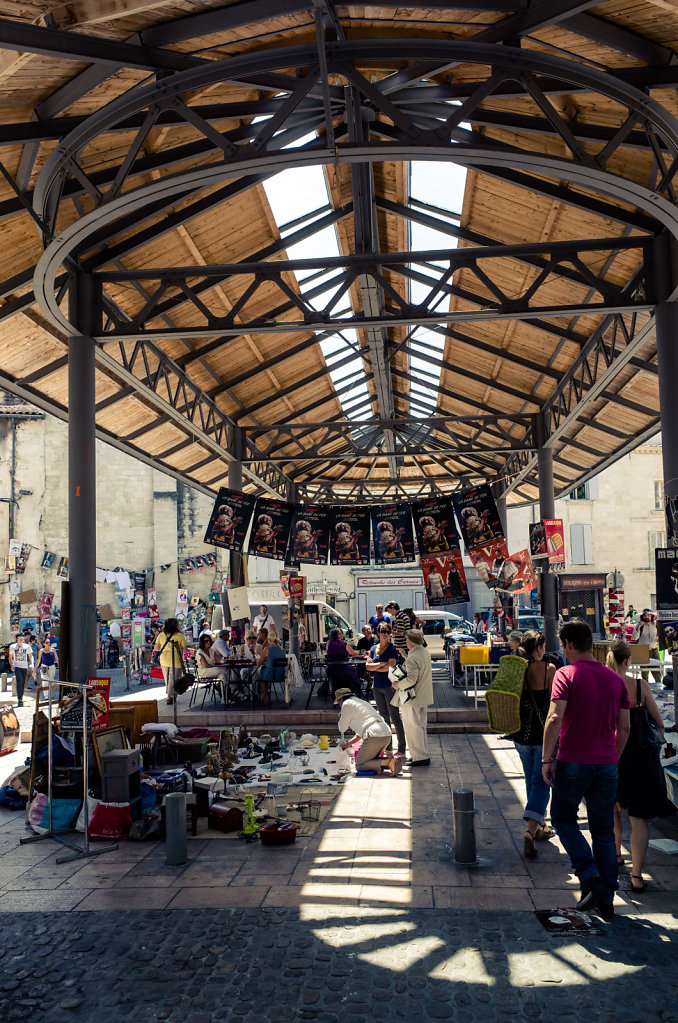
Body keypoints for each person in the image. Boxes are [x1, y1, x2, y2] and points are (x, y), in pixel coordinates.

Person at [542, 621, 630, 919]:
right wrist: (612, 758)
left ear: (567, 644)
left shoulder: (566, 674)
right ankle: (606, 896)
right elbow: (625, 727)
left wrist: (546, 759)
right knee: (603, 830)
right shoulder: (616, 680)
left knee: (563, 818)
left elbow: (555, 718)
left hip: (573, 761)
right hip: (606, 764)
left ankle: (588, 873)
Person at [607, 640, 676, 892]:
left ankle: (615, 854)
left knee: (614, 808)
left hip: (613, 753)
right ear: (628, 660)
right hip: (641, 757)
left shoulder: (607, 685)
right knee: (639, 818)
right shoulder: (639, 686)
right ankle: (636, 875)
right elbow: (659, 722)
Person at [509, 631, 556, 859]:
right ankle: (530, 830)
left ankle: (540, 826)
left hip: (520, 735)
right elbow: (555, 705)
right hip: (542, 736)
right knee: (543, 782)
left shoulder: (517, 668)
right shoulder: (548, 670)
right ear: (538, 647)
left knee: (532, 780)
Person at [390, 629, 433, 767]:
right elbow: (416, 666)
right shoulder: (423, 652)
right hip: (422, 697)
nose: (406, 641)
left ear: (410, 641)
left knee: (412, 727)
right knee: (420, 727)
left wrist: (397, 684)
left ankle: (419, 757)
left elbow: (411, 679)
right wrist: (405, 656)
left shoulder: (414, 657)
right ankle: (421, 755)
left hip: (412, 698)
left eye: (407, 639)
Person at [335, 688, 401, 775]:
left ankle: (389, 762)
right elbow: (359, 734)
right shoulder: (360, 702)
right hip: (386, 734)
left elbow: (342, 728)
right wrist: (348, 744)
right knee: (370, 761)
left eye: (338, 702)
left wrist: (342, 715)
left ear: (340, 699)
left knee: (360, 765)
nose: (339, 705)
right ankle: (392, 763)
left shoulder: (346, 704)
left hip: (374, 735)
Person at [366, 623, 406, 757]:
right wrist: (383, 664)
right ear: (378, 633)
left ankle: (401, 747)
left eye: (388, 632)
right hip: (377, 686)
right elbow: (367, 667)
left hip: (390, 686)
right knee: (383, 717)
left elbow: (391, 666)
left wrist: (376, 666)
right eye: (383, 631)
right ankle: (388, 746)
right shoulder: (372, 648)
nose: (385, 634)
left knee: (395, 717)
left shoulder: (392, 648)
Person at [153, 618, 187, 705]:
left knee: (167, 678)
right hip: (176, 659)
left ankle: (170, 695)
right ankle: (170, 696)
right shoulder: (180, 635)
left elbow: (156, 648)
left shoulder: (161, 635)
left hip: (164, 659)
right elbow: (184, 648)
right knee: (173, 678)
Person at [326, 627, 362, 696]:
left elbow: (328, 652)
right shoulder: (344, 644)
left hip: (332, 670)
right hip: (343, 669)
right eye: (340, 633)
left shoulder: (328, 643)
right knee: (356, 672)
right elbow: (353, 653)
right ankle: (356, 692)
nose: (342, 634)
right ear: (338, 635)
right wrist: (359, 652)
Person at [257, 634, 287, 706]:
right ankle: (267, 688)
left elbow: (258, 663)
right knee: (265, 672)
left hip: (270, 675)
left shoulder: (267, 649)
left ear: (270, 640)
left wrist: (256, 658)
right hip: (280, 675)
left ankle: (265, 696)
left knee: (261, 678)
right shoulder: (282, 649)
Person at [9, 632, 33, 707]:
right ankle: (19, 699)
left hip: (24, 666)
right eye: (19, 639)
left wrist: (32, 663)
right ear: (17, 639)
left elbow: (30, 656)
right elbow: (10, 657)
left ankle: (21, 697)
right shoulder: (13, 647)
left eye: (22, 639)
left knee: (22, 683)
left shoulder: (27, 646)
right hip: (17, 666)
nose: (21, 640)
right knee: (19, 681)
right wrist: (11, 665)